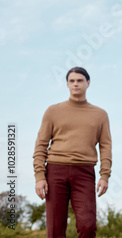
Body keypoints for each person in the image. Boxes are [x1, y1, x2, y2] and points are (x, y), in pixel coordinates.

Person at [33, 66, 112, 238]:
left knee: (88, 226)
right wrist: (40, 177)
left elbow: (105, 147)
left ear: (88, 83)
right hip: (55, 171)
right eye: (72, 81)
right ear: (67, 84)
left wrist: (104, 175)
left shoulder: (100, 115)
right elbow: (40, 145)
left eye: (80, 80)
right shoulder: (53, 111)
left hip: (84, 172)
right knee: (55, 229)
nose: (76, 84)